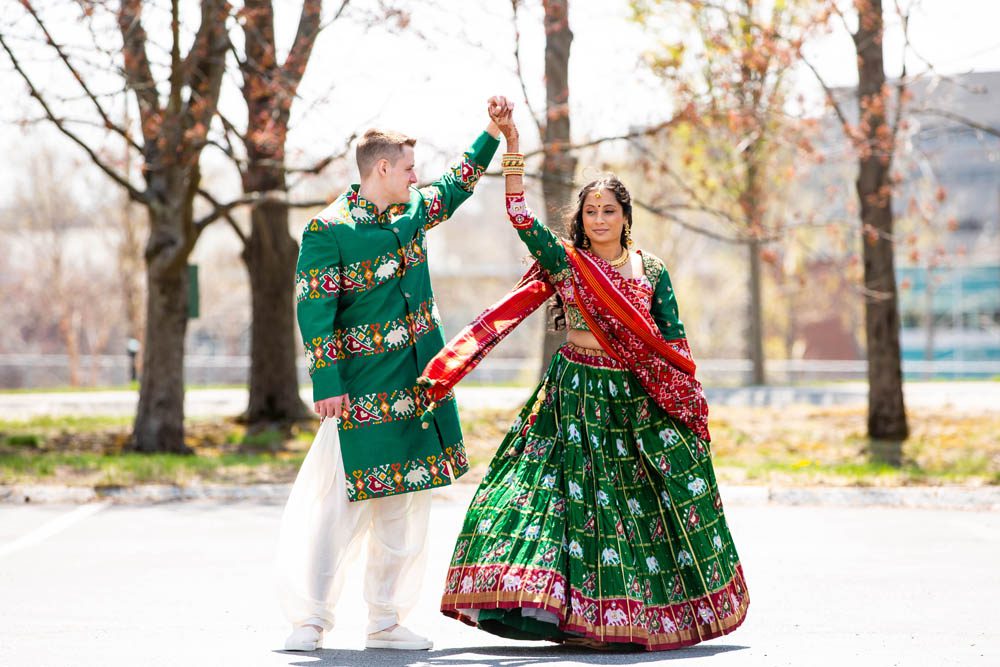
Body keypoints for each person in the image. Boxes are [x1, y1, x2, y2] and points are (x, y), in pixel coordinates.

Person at [425, 105, 749, 650]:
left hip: (632, 397)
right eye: (591, 211)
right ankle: (560, 609)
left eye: (609, 211)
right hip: (573, 393)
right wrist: (512, 144)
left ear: (625, 216)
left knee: (629, 505)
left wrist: (684, 401)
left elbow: (674, 342)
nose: (599, 219)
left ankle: (628, 615)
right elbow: (519, 215)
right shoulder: (567, 261)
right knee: (562, 499)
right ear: (581, 217)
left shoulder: (651, 269)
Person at [277, 98, 510, 652]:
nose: (415, 176)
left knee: (404, 508)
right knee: (338, 507)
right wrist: (327, 383)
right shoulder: (328, 229)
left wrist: (492, 133)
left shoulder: (413, 210)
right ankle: (310, 621)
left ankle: (385, 621)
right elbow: (314, 309)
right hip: (359, 392)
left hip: (418, 389)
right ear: (381, 168)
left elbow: (456, 185)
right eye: (408, 167)